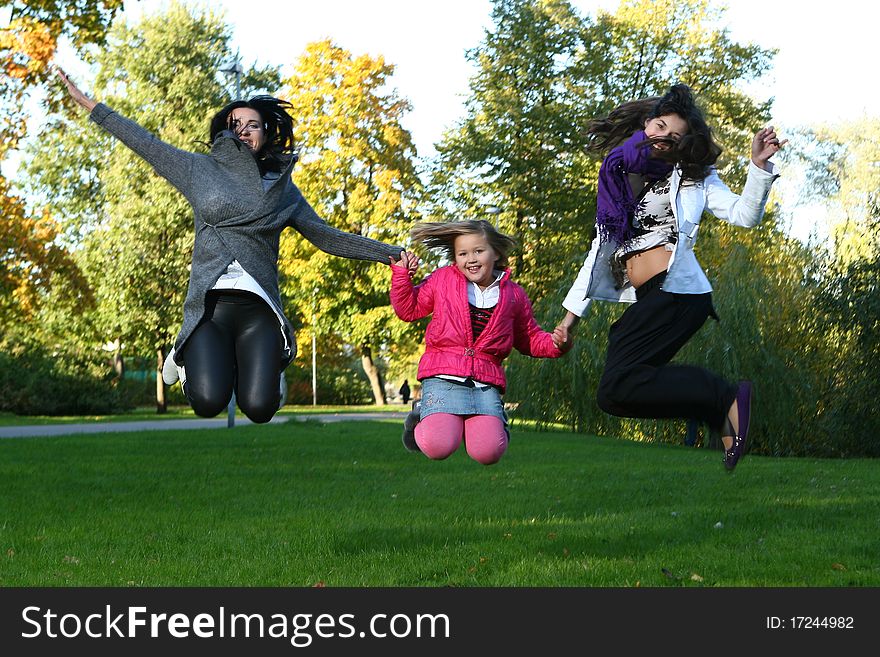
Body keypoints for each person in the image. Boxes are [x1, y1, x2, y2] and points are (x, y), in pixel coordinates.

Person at [58, 68, 405, 424]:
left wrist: (389, 253)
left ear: (265, 134)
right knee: (208, 403)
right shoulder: (199, 169)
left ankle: (257, 363)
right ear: (224, 131)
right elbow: (147, 144)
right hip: (211, 307)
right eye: (235, 123)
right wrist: (91, 105)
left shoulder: (283, 188)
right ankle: (185, 356)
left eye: (252, 124)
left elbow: (325, 235)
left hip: (259, 310)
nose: (243, 130)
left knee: (259, 408)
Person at [554, 84, 785, 471]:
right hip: (653, 296)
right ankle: (720, 411)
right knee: (615, 393)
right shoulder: (618, 176)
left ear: (683, 144)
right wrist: (568, 321)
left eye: (674, 136)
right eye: (660, 127)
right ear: (647, 124)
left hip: (679, 293)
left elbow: (745, 214)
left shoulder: (695, 177)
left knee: (618, 381)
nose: (663, 138)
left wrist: (758, 169)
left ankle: (724, 396)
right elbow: (600, 252)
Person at [390, 220, 567, 465]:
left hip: (485, 382)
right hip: (443, 375)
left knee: (488, 453)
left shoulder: (514, 295)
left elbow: (529, 339)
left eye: (478, 251)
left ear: (495, 252)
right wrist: (401, 276)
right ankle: (422, 415)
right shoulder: (443, 280)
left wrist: (557, 344)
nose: (471, 259)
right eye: (463, 253)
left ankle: (490, 421)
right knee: (438, 446)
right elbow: (408, 309)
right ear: (455, 257)